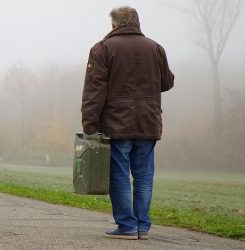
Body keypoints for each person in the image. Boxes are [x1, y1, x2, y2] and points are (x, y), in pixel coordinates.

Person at [81, 6, 174, 240]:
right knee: (143, 176)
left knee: (120, 174)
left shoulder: (102, 49)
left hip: (117, 122)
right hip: (149, 121)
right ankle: (142, 227)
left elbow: (94, 91)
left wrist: (90, 126)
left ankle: (127, 226)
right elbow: (167, 82)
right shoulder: (155, 48)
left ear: (115, 24)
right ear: (136, 22)